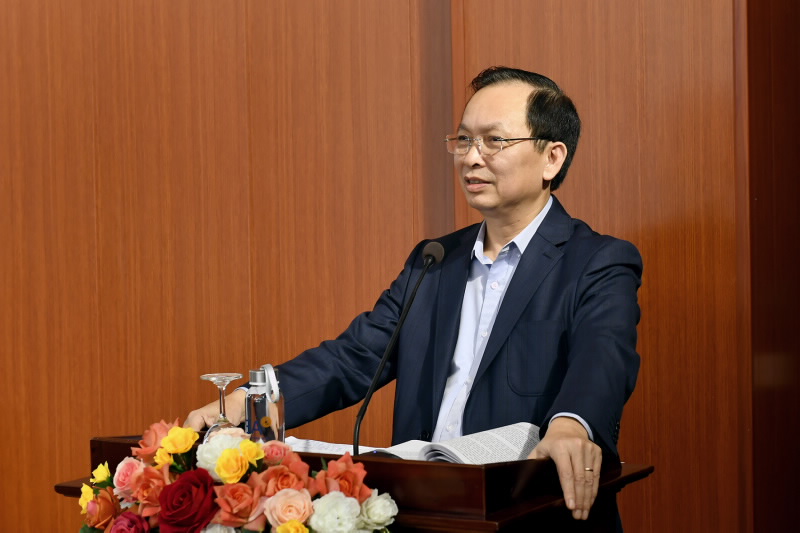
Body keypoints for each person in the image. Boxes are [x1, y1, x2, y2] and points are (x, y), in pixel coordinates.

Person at [186, 66, 642, 523]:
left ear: (552, 158)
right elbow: (353, 358)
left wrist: (571, 423)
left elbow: (603, 357)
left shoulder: (597, 261)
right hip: (425, 511)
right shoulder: (434, 261)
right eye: (464, 140)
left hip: (528, 512)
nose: (471, 157)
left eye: (494, 141)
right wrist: (249, 400)